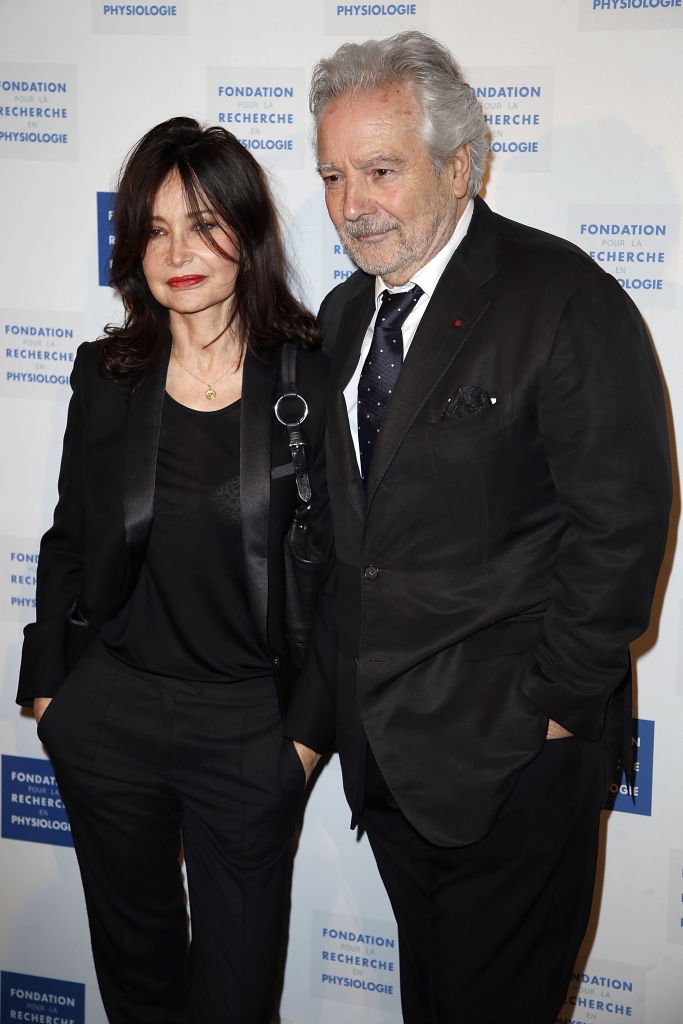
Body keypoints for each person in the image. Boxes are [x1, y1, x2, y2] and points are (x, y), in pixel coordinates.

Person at [285, 31, 672, 1024]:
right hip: (392, 770)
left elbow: (622, 526)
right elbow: (346, 549)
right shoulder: (338, 319)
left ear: (459, 166)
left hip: (511, 768)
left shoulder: (561, 299)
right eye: (332, 174)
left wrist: (542, 707)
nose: (349, 203)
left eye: (379, 169)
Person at [17, 116, 328, 1024]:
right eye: (156, 229)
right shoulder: (106, 373)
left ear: (246, 231)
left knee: (236, 1000)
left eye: (201, 223)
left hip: (248, 727)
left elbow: (344, 570)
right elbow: (69, 540)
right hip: (110, 717)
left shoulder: (308, 375)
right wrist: (52, 700)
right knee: (137, 984)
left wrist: (303, 743)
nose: (179, 251)